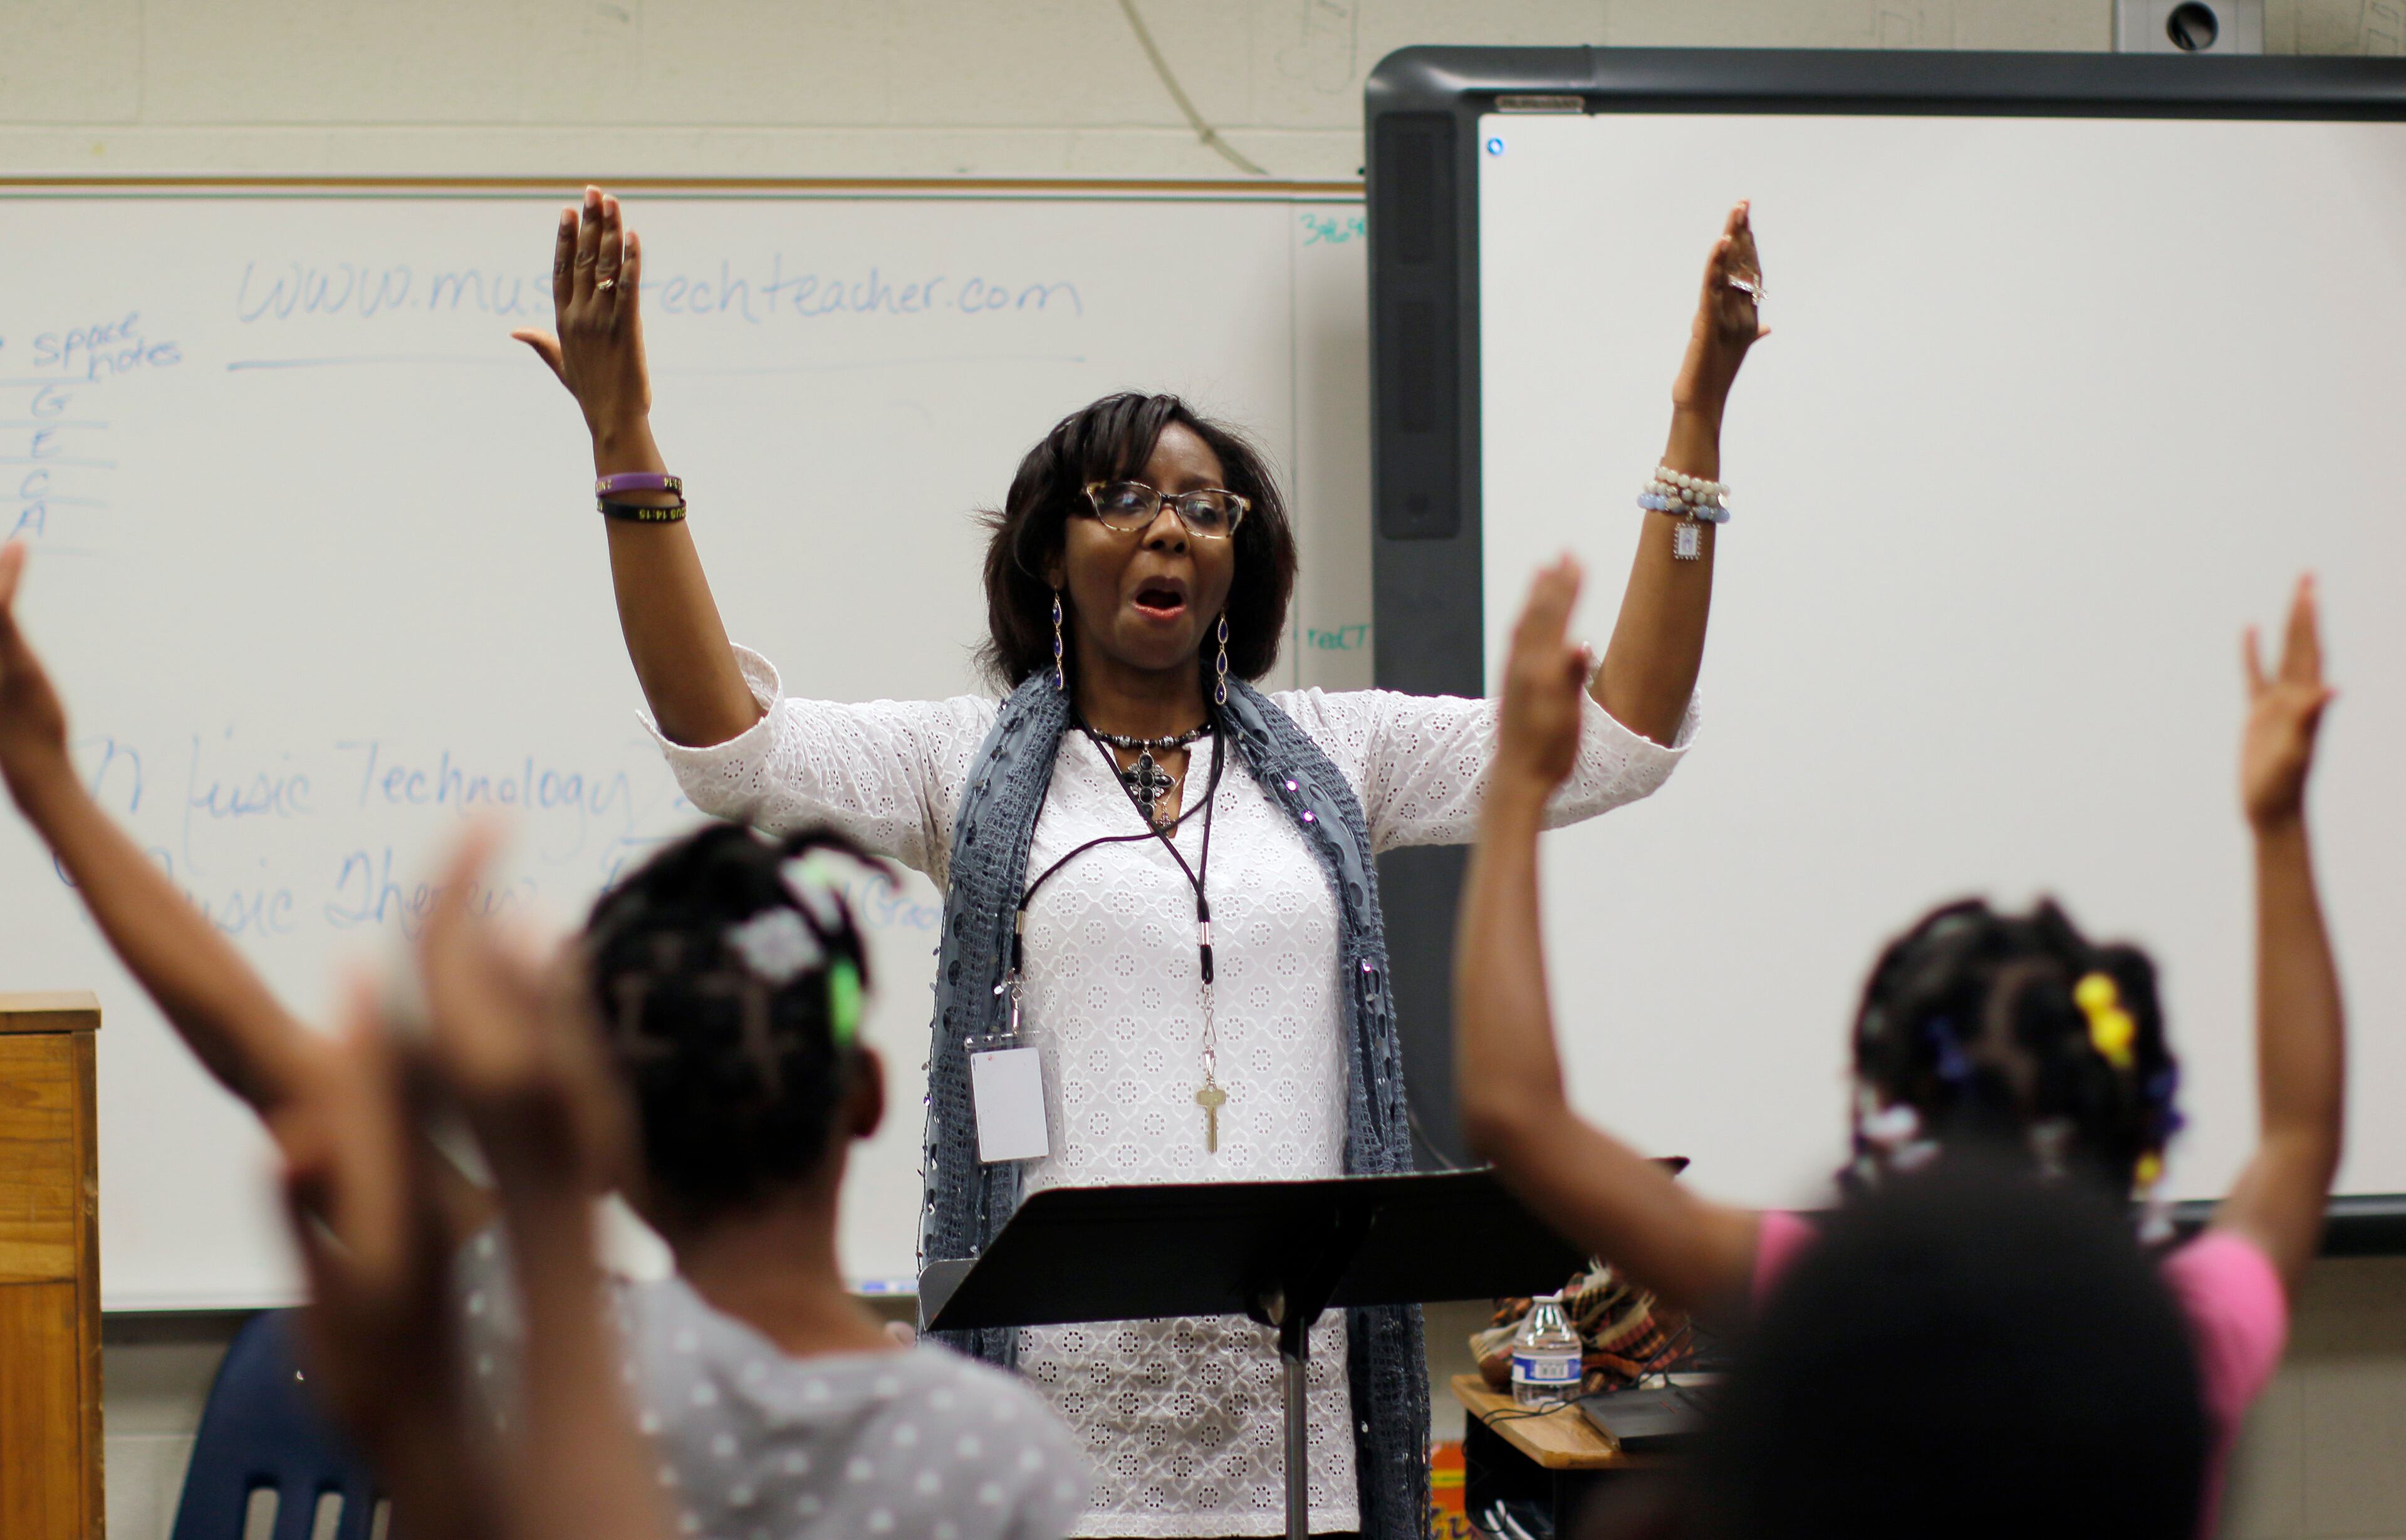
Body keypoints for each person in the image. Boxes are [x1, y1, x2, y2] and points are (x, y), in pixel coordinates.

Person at [509, 184, 1767, 1539]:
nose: (1170, 527)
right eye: (1123, 499)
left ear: (1241, 562)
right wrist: (624, 442)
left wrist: (1696, 423)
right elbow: (729, 747)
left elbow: (1620, 740)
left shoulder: (1337, 756)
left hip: (1303, 1416)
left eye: (1205, 508)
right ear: (1051, 548)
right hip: (1069, 1434)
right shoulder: (971, 768)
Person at [0, 538, 1089, 1540]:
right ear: (864, 1090)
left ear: (600, 1133)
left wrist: (45, 775)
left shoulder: (539, 1336)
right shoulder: (1003, 1452)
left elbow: (270, 1062)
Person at [1454, 562, 2341, 1533]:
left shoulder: (1830, 1295)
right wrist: (2281, 825)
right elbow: (2301, 1137)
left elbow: (1517, 1110)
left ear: (1896, 1096)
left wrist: (1518, 786)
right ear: (2131, 1109)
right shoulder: (2186, 1328)